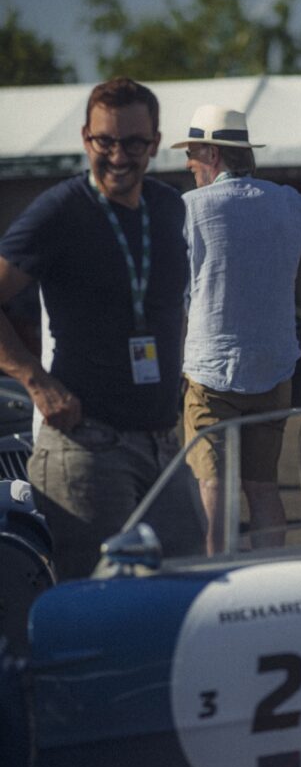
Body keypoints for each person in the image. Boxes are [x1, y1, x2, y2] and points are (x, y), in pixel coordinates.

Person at [0, 77, 192, 580]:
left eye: (132, 143)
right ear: (86, 137)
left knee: (188, 587)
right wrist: (36, 381)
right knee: (100, 608)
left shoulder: (169, 208)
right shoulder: (60, 210)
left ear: (154, 143)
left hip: (163, 443)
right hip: (87, 449)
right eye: (104, 141)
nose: (117, 156)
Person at [173, 105, 301, 553]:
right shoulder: (286, 201)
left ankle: (220, 585)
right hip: (273, 369)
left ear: (212, 154)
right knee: (263, 487)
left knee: (214, 489)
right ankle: (268, 584)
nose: (189, 164)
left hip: (207, 373)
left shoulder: (189, 209)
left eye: (192, 153)